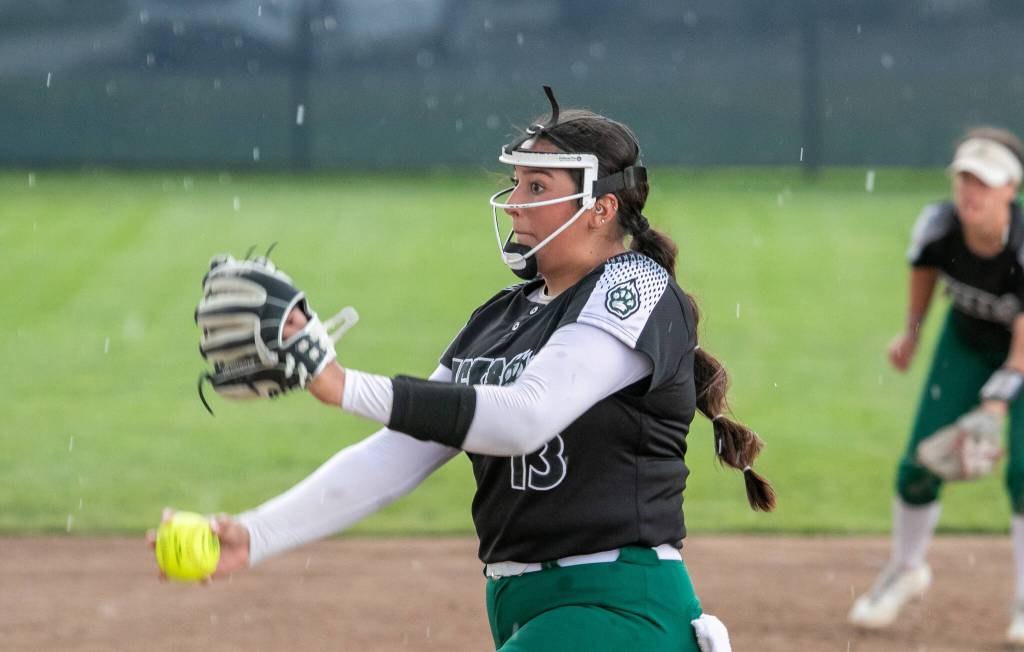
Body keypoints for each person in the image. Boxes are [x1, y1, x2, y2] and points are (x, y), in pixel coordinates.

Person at [155, 87, 774, 651]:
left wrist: (341, 384)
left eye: (538, 187)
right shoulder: (499, 318)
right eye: (517, 185)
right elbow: (396, 456)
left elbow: (524, 419)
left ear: (601, 208)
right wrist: (256, 533)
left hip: (616, 608)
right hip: (523, 608)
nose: (514, 205)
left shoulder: (632, 286)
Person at [847, 127, 1024, 643]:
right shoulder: (939, 226)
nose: (972, 191)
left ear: (1011, 189)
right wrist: (912, 335)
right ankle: (906, 571)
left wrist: (995, 405)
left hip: (1019, 351)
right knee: (918, 466)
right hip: (966, 341)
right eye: (966, 178)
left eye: (986, 182)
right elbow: (924, 273)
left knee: (1023, 475)